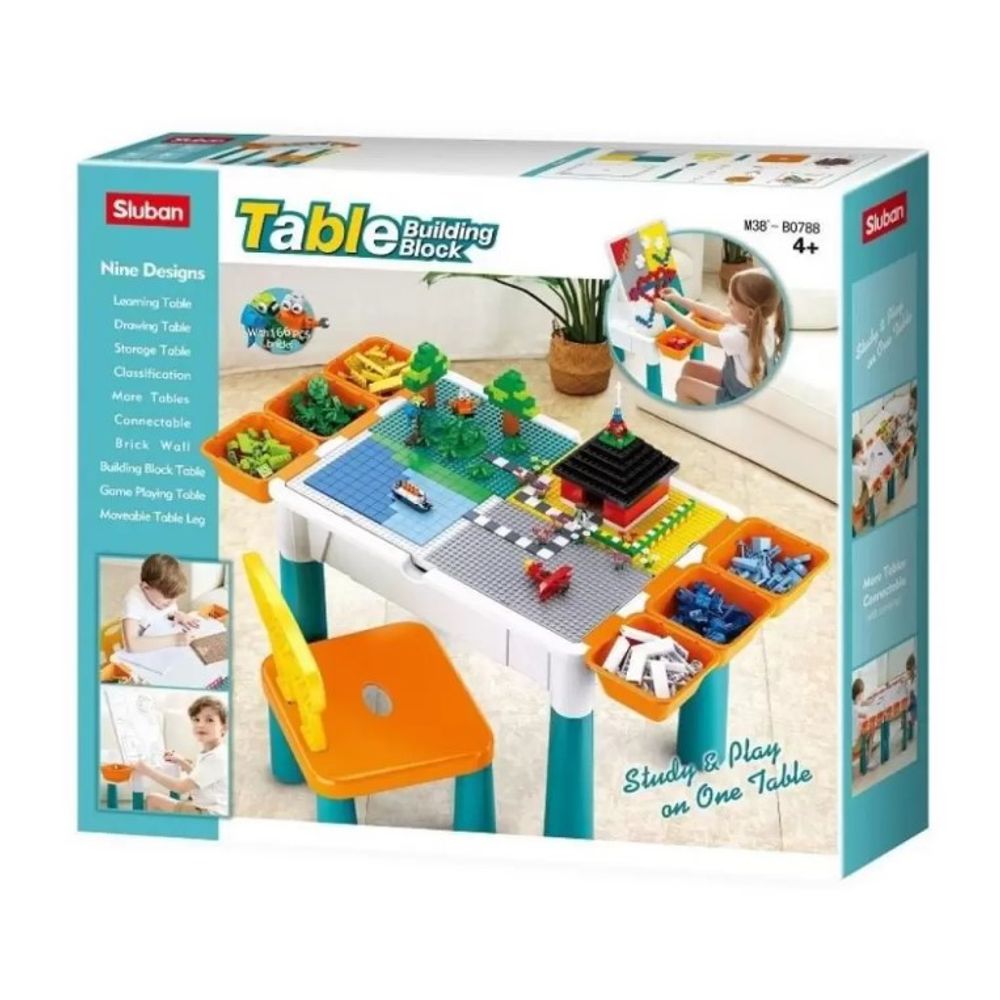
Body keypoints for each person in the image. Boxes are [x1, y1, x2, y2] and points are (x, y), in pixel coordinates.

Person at [653, 268, 785, 405]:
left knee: (682, 385)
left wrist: (668, 310)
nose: (727, 304)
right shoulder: (760, 322)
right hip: (734, 385)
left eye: (732, 302)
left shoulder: (740, 339)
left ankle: (690, 416)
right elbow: (718, 315)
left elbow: (698, 332)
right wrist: (679, 299)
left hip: (736, 398)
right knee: (689, 367)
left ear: (750, 313)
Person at [132, 696, 229, 815]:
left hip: (211, 813)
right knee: (157, 800)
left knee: (152, 799)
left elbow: (181, 788)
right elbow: (200, 777)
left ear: (224, 728)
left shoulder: (216, 758)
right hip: (210, 807)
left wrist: (147, 770)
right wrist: (182, 762)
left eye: (209, 720)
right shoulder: (214, 751)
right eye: (196, 719)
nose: (201, 725)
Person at [121, 554, 201, 653]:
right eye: (167, 601)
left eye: (175, 599)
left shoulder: (165, 597)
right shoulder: (133, 600)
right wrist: (175, 640)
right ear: (146, 587)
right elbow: (132, 645)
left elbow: (165, 613)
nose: (172, 603)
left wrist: (177, 615)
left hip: (161, 643)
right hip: (142, 653)